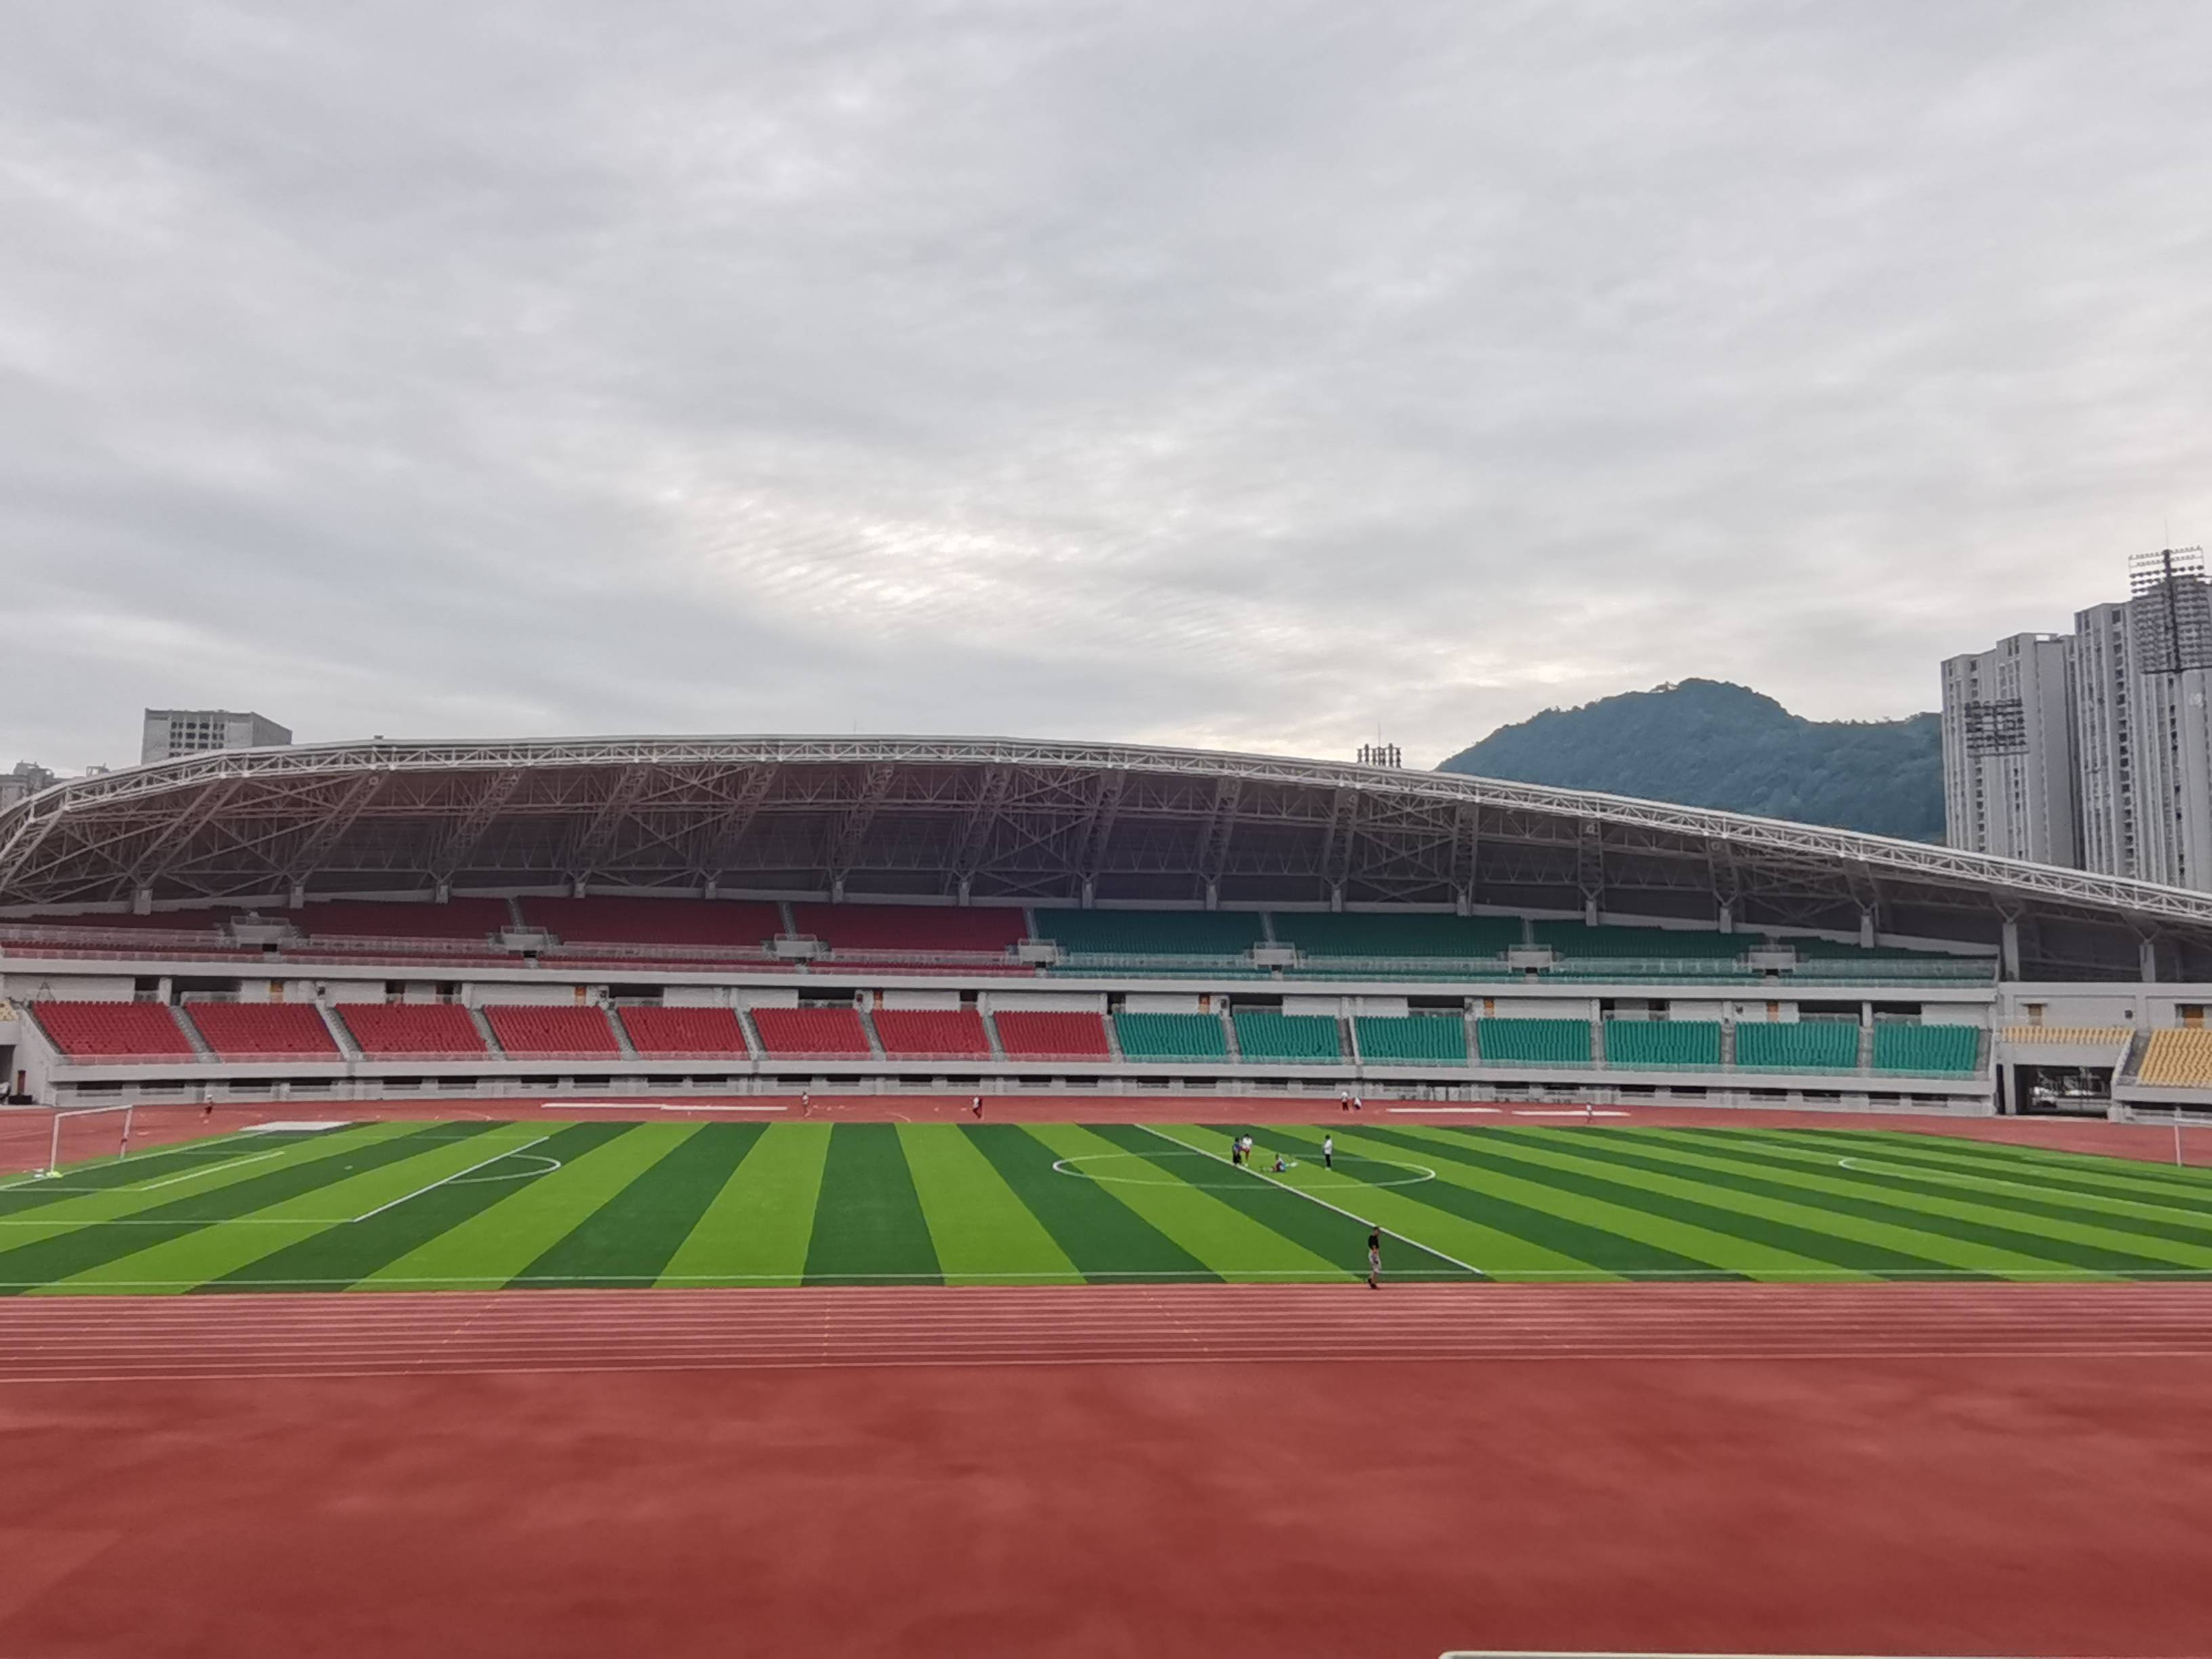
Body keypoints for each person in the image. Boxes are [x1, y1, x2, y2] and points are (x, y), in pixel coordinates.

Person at [1367, 1226, 1382, 1290]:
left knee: (1378, 1268)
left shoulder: (1373, 1238)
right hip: (1374, 1255)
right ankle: (1373, 1284)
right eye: (1377, 1232)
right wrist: (1375, 1259)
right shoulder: (1373, 1239)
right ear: (1374, 1231)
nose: (1379, 1233)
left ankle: (1370, 1279)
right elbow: (1374, 1249)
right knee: (1377, 1269)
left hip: (1374, 1255)